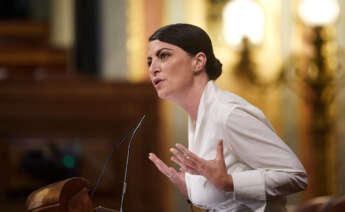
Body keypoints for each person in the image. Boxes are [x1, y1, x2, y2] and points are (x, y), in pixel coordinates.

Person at [147, 23, 307, 212]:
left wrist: (229, 182)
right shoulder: (200, 116)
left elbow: (295, 176)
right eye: (149, 61)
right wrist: (192, 191)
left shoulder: (228, 114)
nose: (153, 69)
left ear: (198, 62)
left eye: (164, 55)